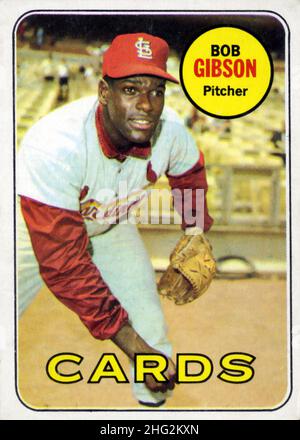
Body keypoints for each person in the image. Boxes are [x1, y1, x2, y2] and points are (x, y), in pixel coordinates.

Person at [17, 33, 213, 407]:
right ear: (104, 91)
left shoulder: (169, 130)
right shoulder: (57, 145)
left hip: (110, 226)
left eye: (157, 91)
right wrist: (133, 347)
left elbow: (188, 173)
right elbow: (65, 266)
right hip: (30, 231)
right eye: (131, 89)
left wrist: (194, 231)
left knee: (153, 333)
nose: (145, 104)